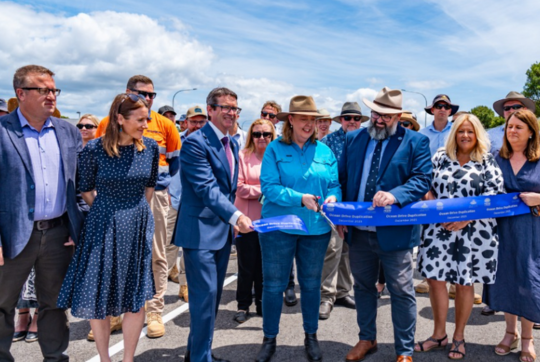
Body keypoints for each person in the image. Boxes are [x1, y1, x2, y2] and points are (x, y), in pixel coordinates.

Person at [57, 93, 159, 362]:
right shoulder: (93, 149)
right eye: (140, 119)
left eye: (147, 118)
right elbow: (86, 190)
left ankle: (128, 359)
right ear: (119, 119)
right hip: (102, 226)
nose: (145, 124)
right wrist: (109, 209)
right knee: (98, 292)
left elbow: (150, 186)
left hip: (137, 225)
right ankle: (105, 358)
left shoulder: (149, 147)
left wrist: (134, 214)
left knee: (135, 297)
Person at [339, 87, 432, 362]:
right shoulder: (354, 138)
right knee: (363, 288)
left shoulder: (416, 141)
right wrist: (343, 218)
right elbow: (344, 179)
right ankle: (367, 339)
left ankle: (404, 350)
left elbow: (421, 179)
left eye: (386, 116)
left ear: (399, 115)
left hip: (396, 233)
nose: (379, 120)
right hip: (359, 232)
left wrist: (395, 195)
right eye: (376, 113)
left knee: (402, 292)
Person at [0, 64, 84, 362]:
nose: (51, 95)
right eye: (43, 90)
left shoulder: (68, 132)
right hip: (11, 236)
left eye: (53, 90)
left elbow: (79, 186)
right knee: (2, 304)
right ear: (20, 93)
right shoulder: (2, 131)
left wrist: (77, 228)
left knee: (54, 304)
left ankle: (56, 357)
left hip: (58, 234)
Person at [256, 95, 341, 362]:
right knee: (273, 286)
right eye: (303, 118)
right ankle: (269, 339)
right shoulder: (274, 149)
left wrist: (333, 197)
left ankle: (311, 336)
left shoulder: (326, 151)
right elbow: (268, 187)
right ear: (290, 120)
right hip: (278, 227)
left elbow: (334, 185)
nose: (309, 124)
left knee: (312, 285)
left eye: (313, 119)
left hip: (315, 229)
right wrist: (299, 198)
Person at [95, 75, 181, 338]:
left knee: (156, 253)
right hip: (116, 197)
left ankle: (154, 310)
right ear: (127, 92)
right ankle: (116, 314)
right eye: (141, 93)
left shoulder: (166, 125)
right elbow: (98, 160)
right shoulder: (107, 123)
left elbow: (175, 165)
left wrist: (163, 191)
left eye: (152, 95)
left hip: (154, 195)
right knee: (117, 256)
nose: (147, 98)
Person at [172, 87, 252, 362]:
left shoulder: (232, 142)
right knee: (204, 301)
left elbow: (228, 190)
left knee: (211, 301)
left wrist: (233, 219)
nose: (232, 113)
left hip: (220, 233)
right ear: (211, 110)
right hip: (199, 234)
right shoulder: (196, 142)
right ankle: (200, 358)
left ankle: (197, 352)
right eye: (226, 107)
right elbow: (207, 189)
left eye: (235, 109)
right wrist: (237, 217)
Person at [415, 114, 504, 359]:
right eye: (461, 131)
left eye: (470, 131)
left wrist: (466, 217)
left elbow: (495, 193)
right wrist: (429, 198)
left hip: (473, 232)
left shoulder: (486, 160)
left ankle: (459, 337)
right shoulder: (441, 157)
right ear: (455, 133)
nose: (465, 135)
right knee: (435, 281)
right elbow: (423, 182)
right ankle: (439, 334)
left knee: (465, 283)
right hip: (438, 229)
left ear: (477, 135)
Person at [484, 109, 540, 362]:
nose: (512, 131)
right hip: (501, 231)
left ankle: (528, 340)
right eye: (509, 127)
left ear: (531, 132)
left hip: (532, 231)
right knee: (504, 278)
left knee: (528, 282)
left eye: (519, 127)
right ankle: (510, 333)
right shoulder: (496, 158)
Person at [318, 101, 368, 320]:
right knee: (332, 249)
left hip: (358, 204)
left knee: (348, 250)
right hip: (335, 203)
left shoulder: (367, 140)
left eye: (356, 118)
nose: (352, 122)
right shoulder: (328, 141)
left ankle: (343, 292)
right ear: (340, 120)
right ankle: (326, 296)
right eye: (348, 118)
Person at [233, 119, 276, 324]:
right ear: (251, 136)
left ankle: (261, 303)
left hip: (271, 221)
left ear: (272, 135)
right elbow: (239, 187)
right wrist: (266, 190)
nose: (261, 138)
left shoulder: (277, 157)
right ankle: (242, 305)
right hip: (247, 222)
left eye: (266, 134)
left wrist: (257, 189)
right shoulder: (242, 156)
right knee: (246, 266)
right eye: (257, 134)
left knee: (264, 267)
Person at [167, 105, 208, 302]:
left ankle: (185, 285)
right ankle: (156, 293)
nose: (197, 125)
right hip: (173, 200)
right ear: (186, 122)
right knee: (166, 246)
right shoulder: (175, 139)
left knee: (189, 248)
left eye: (201, 122)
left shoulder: (210, 142)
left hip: (195, 204)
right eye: (194, 121)